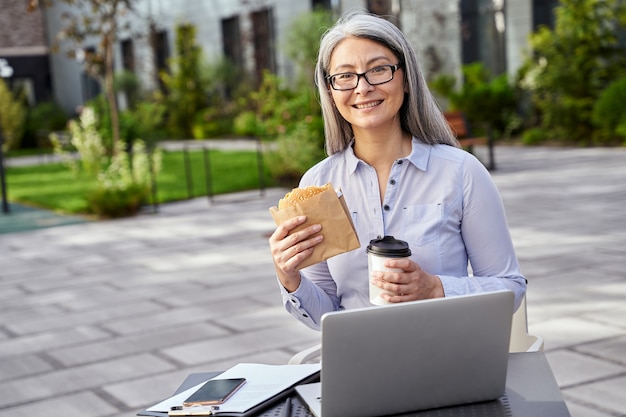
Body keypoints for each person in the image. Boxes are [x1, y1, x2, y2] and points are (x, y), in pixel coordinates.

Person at [269, 11, 526, 330]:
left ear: (405, 79)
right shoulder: (319, 184)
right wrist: (289, 277)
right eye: (345, 76)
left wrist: (435, 288)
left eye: (378, 69)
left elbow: (511, 288)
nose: (362, 87)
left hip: (447, 361)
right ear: (331, 92)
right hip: (360, 365)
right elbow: (327, 316)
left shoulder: (461, 173)